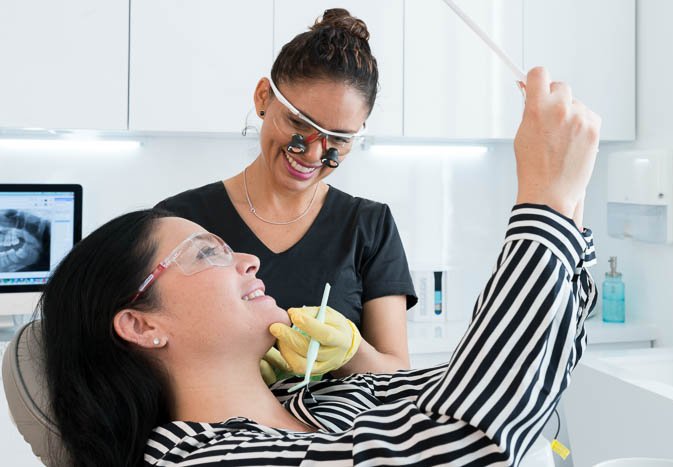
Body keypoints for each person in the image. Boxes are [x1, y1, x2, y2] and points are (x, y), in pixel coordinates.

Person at [39, 67, 600, 466]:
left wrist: (567, 198)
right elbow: (462, 442)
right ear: (142, 323)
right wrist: (545, 202)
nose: (249, 256)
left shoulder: (324, 400)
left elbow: (520, 378)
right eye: (209, 252)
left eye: (339, 141)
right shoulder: (196, 456)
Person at [155, 9, 416, 377]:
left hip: (339, 433)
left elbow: (397, 374)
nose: (312, 152)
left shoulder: (369, 226)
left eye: (339, 138)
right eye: (298, 122)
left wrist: (350, 352)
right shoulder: (180, 222)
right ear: (264, 98)